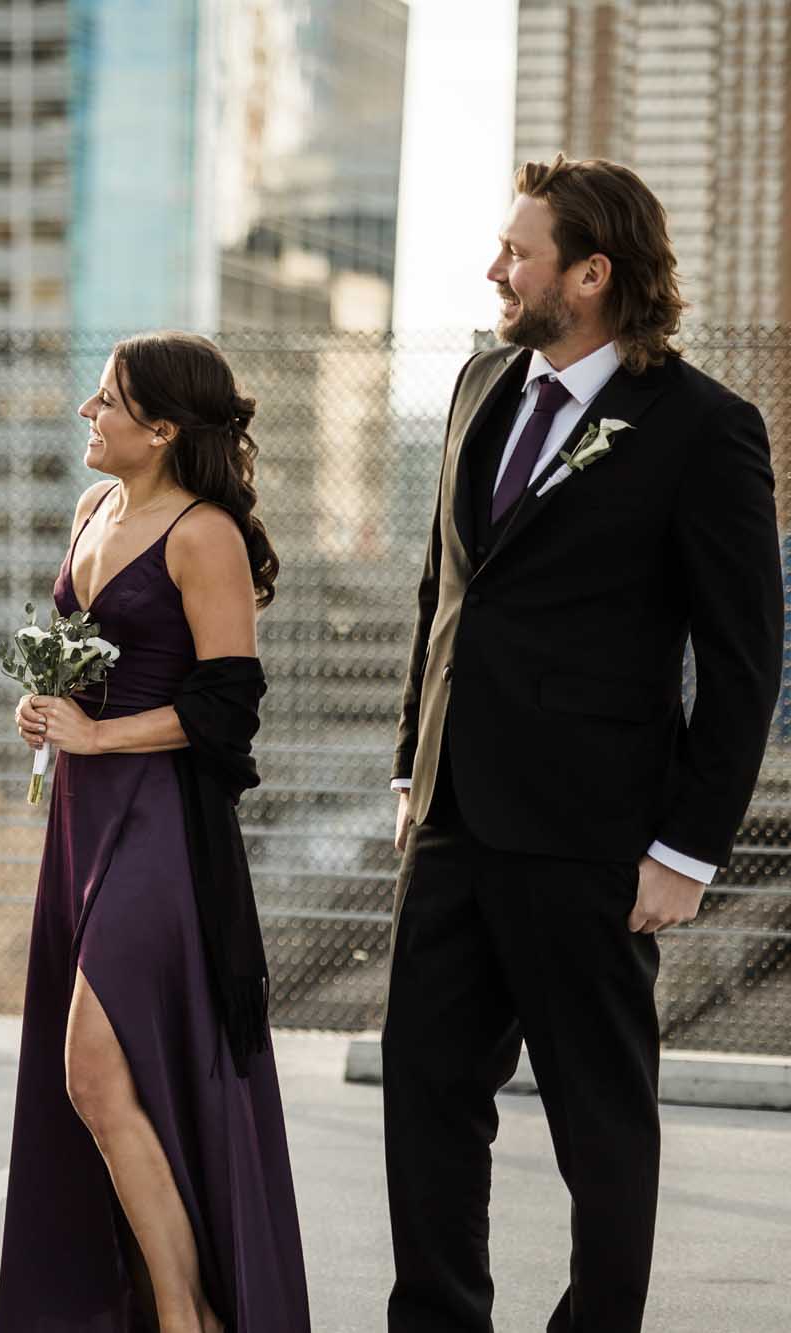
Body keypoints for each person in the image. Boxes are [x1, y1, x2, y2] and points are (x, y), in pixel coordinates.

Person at [384, 155, 782, 1333]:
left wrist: (685, 851)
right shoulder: (476, 384)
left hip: (593, 843)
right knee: (426, 1097)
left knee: (596, 1121)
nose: (493, 268)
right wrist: (413, 766)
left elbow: (744, 660)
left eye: (517, 251)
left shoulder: (703, 429)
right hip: (451, 824)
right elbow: (438, 595)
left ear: (592, 274)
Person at [0, 333, 309, 1332]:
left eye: (107, 402)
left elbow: (225, 708)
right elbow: (90, 660)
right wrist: (51, 709)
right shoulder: (93, 508)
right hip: (81, 819)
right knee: (96, 1076)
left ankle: (186, 1316)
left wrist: (97, 730)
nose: (87, 414)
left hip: (161, 824)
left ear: (163, 428)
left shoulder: (200, 531)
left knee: (92, 1063)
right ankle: (164, 1310)